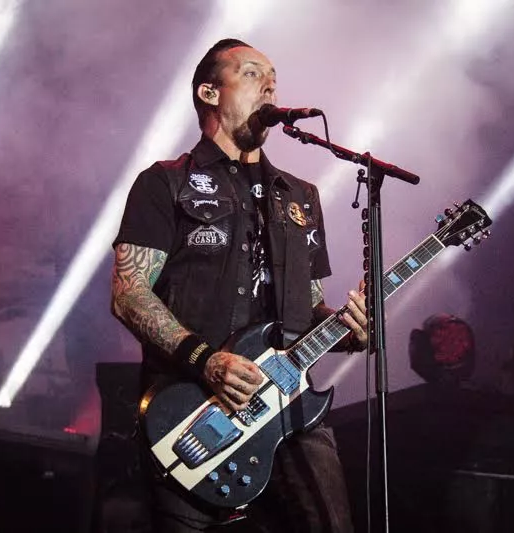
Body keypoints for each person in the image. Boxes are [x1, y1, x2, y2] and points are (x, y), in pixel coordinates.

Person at [110, 38, 368, 532]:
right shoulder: (165, 183)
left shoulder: (299, 197)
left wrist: (350, 329)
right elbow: (129, 293)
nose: (269, 85)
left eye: (273, 78)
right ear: (209, 92)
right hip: (193, 407)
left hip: (289, 407)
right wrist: (205, 360)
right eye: (251, 73)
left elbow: (309, 308)